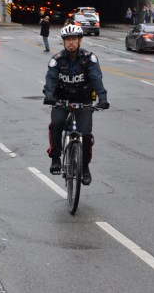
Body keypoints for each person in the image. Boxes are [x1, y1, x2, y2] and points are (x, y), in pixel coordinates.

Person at [43, 24, 109, 186]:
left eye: (74, 39)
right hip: (61, 100)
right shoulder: (56, 60)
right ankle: (56, 158)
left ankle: (85, 166)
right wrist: (49, 95)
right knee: (56, 124)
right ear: (64, 42)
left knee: (85, 134)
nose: (71, 43)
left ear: (80, 41)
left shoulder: (89, 59)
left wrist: (102, 99)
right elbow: (51, 79)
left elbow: (96, 79)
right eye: (68, 40)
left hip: (84, 100)